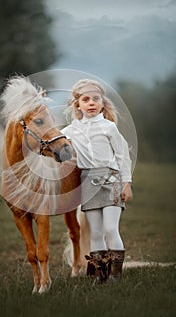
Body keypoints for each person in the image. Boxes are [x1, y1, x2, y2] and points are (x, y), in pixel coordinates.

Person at [61, 79, 133, 283]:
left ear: (102, 103)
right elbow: (52, 140)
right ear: (78, 105)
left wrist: (126, 183)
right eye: (86, 99)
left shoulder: (109, 127)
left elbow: (122, 156)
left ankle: (116, 275)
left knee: (111, 229)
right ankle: (99, 275)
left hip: (112, 181)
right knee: (95, 233)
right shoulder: (71, 130)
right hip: (88, 183)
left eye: (95, 99)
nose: (91, 102)